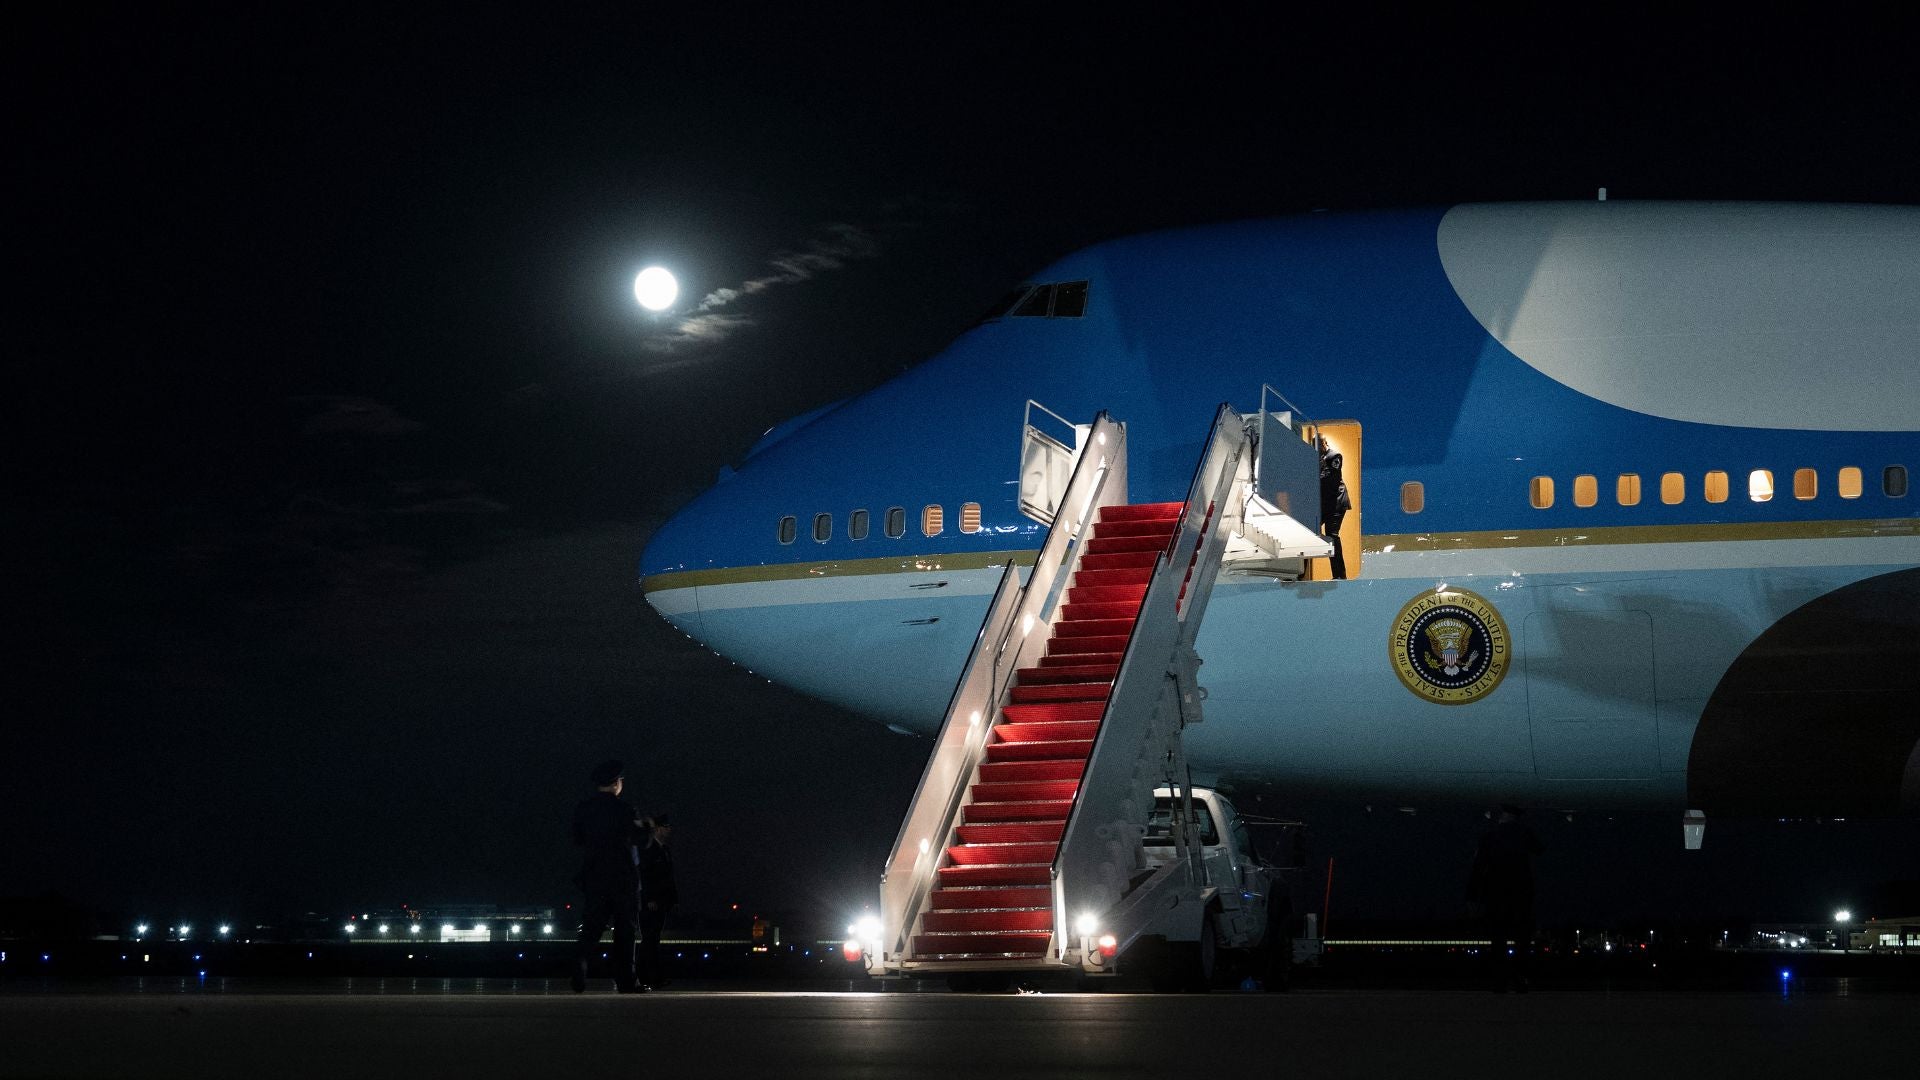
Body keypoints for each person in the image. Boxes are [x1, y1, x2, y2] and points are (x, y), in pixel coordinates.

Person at [571, 759, 648, 992]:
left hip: (594, 875)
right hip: (622, 877)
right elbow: (640, 840)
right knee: (625, 931)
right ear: (616, 783)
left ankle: (580, 961)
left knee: (592, 927)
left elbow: (576, 839)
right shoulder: (625, 810)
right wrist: (646, 827)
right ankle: (626, 980)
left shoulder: (584, 809)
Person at [1466, 803, 1545, 992]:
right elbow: (1540, 849)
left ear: (1502, 816)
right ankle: (1520, 978)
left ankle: (1499, 982)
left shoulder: (1490, 836)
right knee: (1522, 939)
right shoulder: (1523, 834)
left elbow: (1477, 867)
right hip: (1521, 894)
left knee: (1498, 939)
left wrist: (1472, 896)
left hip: (1496, 893)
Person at [637, 813, 678, 988]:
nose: (669, 830)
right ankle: (647, 977)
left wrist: (673, 898)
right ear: (658, 829)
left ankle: (652, 976)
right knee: (650, 939)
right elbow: (644, 876)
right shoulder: (649, 849)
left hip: (661, 901)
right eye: (666, 827)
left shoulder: (664, 850)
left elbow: (668, 877)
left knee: (653, 939)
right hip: (651, 902)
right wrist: (649, 898)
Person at [1317, 437, 1351, 580]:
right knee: (1307, 529)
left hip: (1336, 503)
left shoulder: (1334, 456)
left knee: (1332, 535)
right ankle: (1300, 572)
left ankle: (1339, 575)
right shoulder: (1318, 460)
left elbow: (1332, 479)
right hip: (1325, 504)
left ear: (1324, 443)